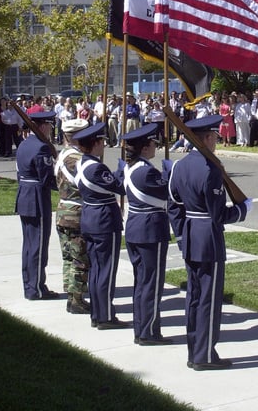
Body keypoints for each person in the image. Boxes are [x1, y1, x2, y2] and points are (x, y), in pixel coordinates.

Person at [168, 115, 252, 370]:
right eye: (215, 136)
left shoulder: (179, 167)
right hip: (208, 239)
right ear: (206, 138)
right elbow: (217, 214)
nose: (217, 140)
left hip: (191, 235)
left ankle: (195, 350)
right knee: (208, 299)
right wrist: (242, 210)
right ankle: (205, 355)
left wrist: (182, 236)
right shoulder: (210, 169)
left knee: (193, 297)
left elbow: (174, 204)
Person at [73, 122, 128, 330]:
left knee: (96, 269)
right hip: (104, 221)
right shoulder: (96, 167)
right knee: (105, 270)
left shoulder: (82, 164)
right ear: (95, 144)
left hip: (91, 218)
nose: (104, 145)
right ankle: (104, 315)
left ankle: (98, 312)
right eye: (101, 142)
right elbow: (119, 187)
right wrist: (123, 171)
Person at [122, 123, 173, 345]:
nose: (156, 147)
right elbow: (170, 191)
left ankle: (141, 328)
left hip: (136, 228)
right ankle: (149, 332)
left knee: (142, 283)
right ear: (144, 148)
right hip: (150, 231)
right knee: (151, 284)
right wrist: (170, 172)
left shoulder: (130, 167)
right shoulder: (146, 171)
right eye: (153, 143)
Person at [15, 110, 59, 300]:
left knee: (29, 244)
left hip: (24, 195)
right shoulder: (41, 147)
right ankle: (36, 288)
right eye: (49, 126)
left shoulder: (24, 144)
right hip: (37, 199)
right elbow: (47, 178)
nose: (50, 129)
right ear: (43, 126)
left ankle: (30, 284)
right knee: (38, 246)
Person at [54, 118, 91, 314]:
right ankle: (76, 299)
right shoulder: (77, 158)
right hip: (75, 213)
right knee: (79, 258)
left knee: (69, 257)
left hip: (63, 211)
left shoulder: (63, 155)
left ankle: (72, 296)